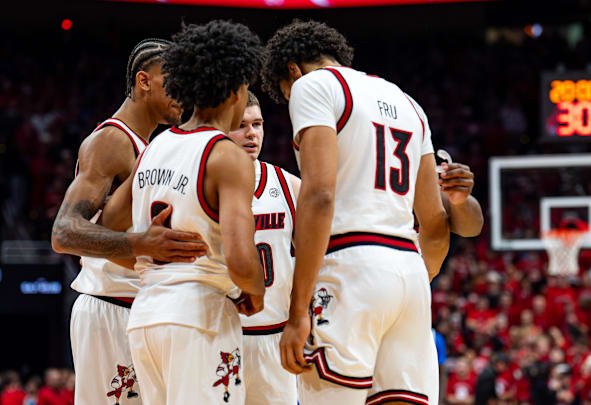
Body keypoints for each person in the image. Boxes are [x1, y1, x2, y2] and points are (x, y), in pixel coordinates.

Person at [262, 20, 458, 405]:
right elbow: (433, 222)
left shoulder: (312, 85)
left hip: (349, 267)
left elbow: (319, 195)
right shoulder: (409, 103)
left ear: (292, 70)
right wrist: (416, 276)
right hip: (409, 272)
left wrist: (298, 310)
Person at [98, 20, 266, 405]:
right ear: (238, 89)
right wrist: (255, 290)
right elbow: (242, 262)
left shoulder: (154, 147)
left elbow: (107, 230)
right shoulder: (226, 155)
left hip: (146, 317)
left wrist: (145, 251)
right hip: (200, 315)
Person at [50, 38, 207, 405]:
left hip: (141, 306)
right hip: (109, 306)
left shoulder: (153, 144)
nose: (183, 94)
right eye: (174, 81)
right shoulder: (111, 141)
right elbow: (64, 232)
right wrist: (140, 245)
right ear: (144, 80)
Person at [226, 91, 300, 405]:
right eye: (241, 126)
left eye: (257, 124)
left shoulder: (289, 185)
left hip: (275, 337)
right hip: (223, 338)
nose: (252, 133)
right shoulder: (204, 187)